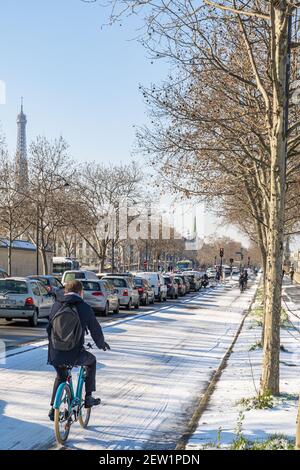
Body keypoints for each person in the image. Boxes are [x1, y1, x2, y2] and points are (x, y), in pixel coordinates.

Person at [47, 279, 110, 421]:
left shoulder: (56, 305)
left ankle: (53, 408)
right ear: (80, 292)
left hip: (55, 353)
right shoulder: (84, 307)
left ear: (65, 291)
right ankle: (88, 397)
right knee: (91, 361)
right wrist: (101, 344)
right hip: (75, 354)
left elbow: (49, 328)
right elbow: (95, 329)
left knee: (61, 376)